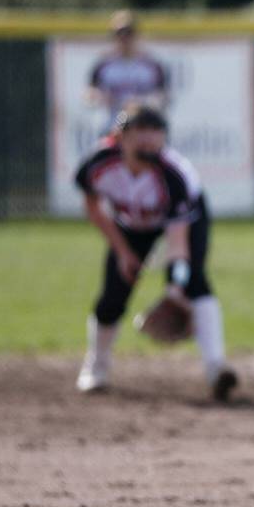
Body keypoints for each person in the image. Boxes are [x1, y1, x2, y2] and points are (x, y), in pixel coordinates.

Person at [74, 104, 238, 401]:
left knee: (194, 281)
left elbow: (177, 244)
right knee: (114, 292)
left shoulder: (175, 177)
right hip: (131, 225)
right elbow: (93, 206)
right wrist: (123, 252)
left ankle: (217, 369)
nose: (149, 140)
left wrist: (175, 288)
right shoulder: (98, 163)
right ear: (120, 137)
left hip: (186, 218)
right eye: (140, 132)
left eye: (156, 133)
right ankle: (95, 367)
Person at [87, 10, 169, 135]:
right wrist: (100, 97)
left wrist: (143, 104)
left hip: (143, 129)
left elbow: (163, 96)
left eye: (128, 33)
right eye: (120, 33)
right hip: (112, 127)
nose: (124, 38)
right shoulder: (103, 65)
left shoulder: (152, 65)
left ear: (137, 34)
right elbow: (90, 94)